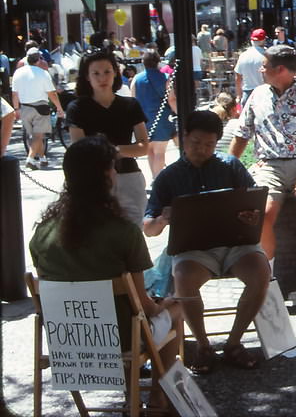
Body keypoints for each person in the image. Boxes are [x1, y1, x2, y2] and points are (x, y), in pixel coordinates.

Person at [30, 136, 183, 412]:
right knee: (173, 311)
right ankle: (158, 399)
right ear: (105, 176)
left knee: (124, 317)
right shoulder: (124, 232)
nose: (115, 172)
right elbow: (143, 306)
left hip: (68, 342)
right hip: (121, 339)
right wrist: (164, 305)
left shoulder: (42, 233)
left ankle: (131, 398)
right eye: (113, 167)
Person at [143, 111, 270, 374]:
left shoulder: (231, 166)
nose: (201, 150)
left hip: (236, 243)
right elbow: (149, 229)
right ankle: (203, 346)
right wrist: (163, 218)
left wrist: (253, 215)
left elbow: (256, 203)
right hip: (194, 249)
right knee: (183, 276)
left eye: (209, 145)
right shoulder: (168, 176)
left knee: (260, 271)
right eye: (196, 143)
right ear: (184, 137)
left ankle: (234, 343)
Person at [229, 45, 296, 312]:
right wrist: (228, 168)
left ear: (281, 70)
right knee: (262, 214)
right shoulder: (257, 96)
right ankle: (267, 282)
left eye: (265, 66)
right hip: (270, 166)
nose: (260, 70)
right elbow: (242, 135)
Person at [67, 50, 150, 225]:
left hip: (129, 175)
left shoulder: (130, 105)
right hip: (93, 180)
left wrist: (111, 150)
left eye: (107, 72)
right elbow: (80, 150)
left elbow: (143, 147)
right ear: (87, 77)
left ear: (115, 73)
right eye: (96, 73)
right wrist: (117, 151)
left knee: (133, 231)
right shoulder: (77, 108)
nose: (102, 78)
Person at [10, 47, 65, 169]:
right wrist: (59, 108)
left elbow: (14, 93)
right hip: (41, 107)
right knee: (38, 136)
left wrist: (16, 108)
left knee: (34, 136)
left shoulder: (17, 73)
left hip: (25, 108)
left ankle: (42, 158)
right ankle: (30, 159)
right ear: (39, 59)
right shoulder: (43, 73)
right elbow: (52, 93)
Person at [131, 51, 177, 176]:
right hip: (162, 118)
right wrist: (179, 113)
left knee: (150, 151)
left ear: (143, 62)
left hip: (143, 120)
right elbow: (171, 99)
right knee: (159, 152)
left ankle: (154, 178)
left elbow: (133, 99)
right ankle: (158, 179)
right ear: (158, 61)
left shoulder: (136, 79)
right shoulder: (166, 78)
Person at [234, 28, 268, 107]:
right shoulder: (267, 56)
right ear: (263, 40)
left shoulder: (243, 55)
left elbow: (238, 77)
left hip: (248, 94)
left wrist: (239, 95)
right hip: (264, 94)